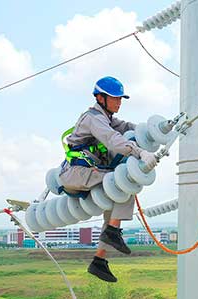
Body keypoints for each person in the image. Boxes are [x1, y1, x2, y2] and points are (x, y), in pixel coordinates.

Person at [60, 76, 158, 282]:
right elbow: (114, 141)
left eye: (120, 98)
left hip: (91, 173)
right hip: (77, 174)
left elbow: (127, 128)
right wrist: (140, 153)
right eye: (115, 98)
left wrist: (152, 131)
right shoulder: (94, 118)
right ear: (100, 98)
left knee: (114, 204)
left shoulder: (108, 119)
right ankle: (113, 231)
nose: (119, 102)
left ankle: (99, 261)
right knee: (126, 182)